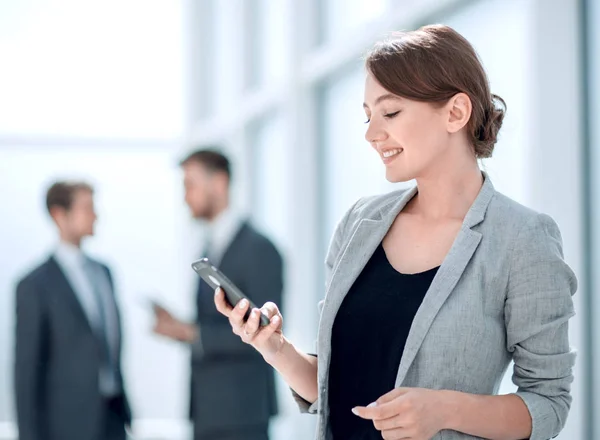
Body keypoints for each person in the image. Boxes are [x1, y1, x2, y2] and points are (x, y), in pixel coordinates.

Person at [212, 24, 577, 440]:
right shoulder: (359, 224)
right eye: (368, 116)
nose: (371, 134)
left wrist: (445, 409)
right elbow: (337, 391)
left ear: (456, 113)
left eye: (390, 112)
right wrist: (274, 347)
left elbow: (549, 402)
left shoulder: (521, 239)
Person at [152, 149, 283, 440]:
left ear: (219, 183)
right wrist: (182, 329)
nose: (185, 197)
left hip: (242, 412)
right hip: (207, 409)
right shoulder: (208, 248)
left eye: (190, 185)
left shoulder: (260, 249)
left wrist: (191, 333)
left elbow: (266, 331)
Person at [14, 181, 132, 440]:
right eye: (86, 207)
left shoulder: (104, 273)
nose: (95, 215)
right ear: (59, 215)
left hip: (113, 417)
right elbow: (26, 371)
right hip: (65, 425)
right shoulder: (34, 285)